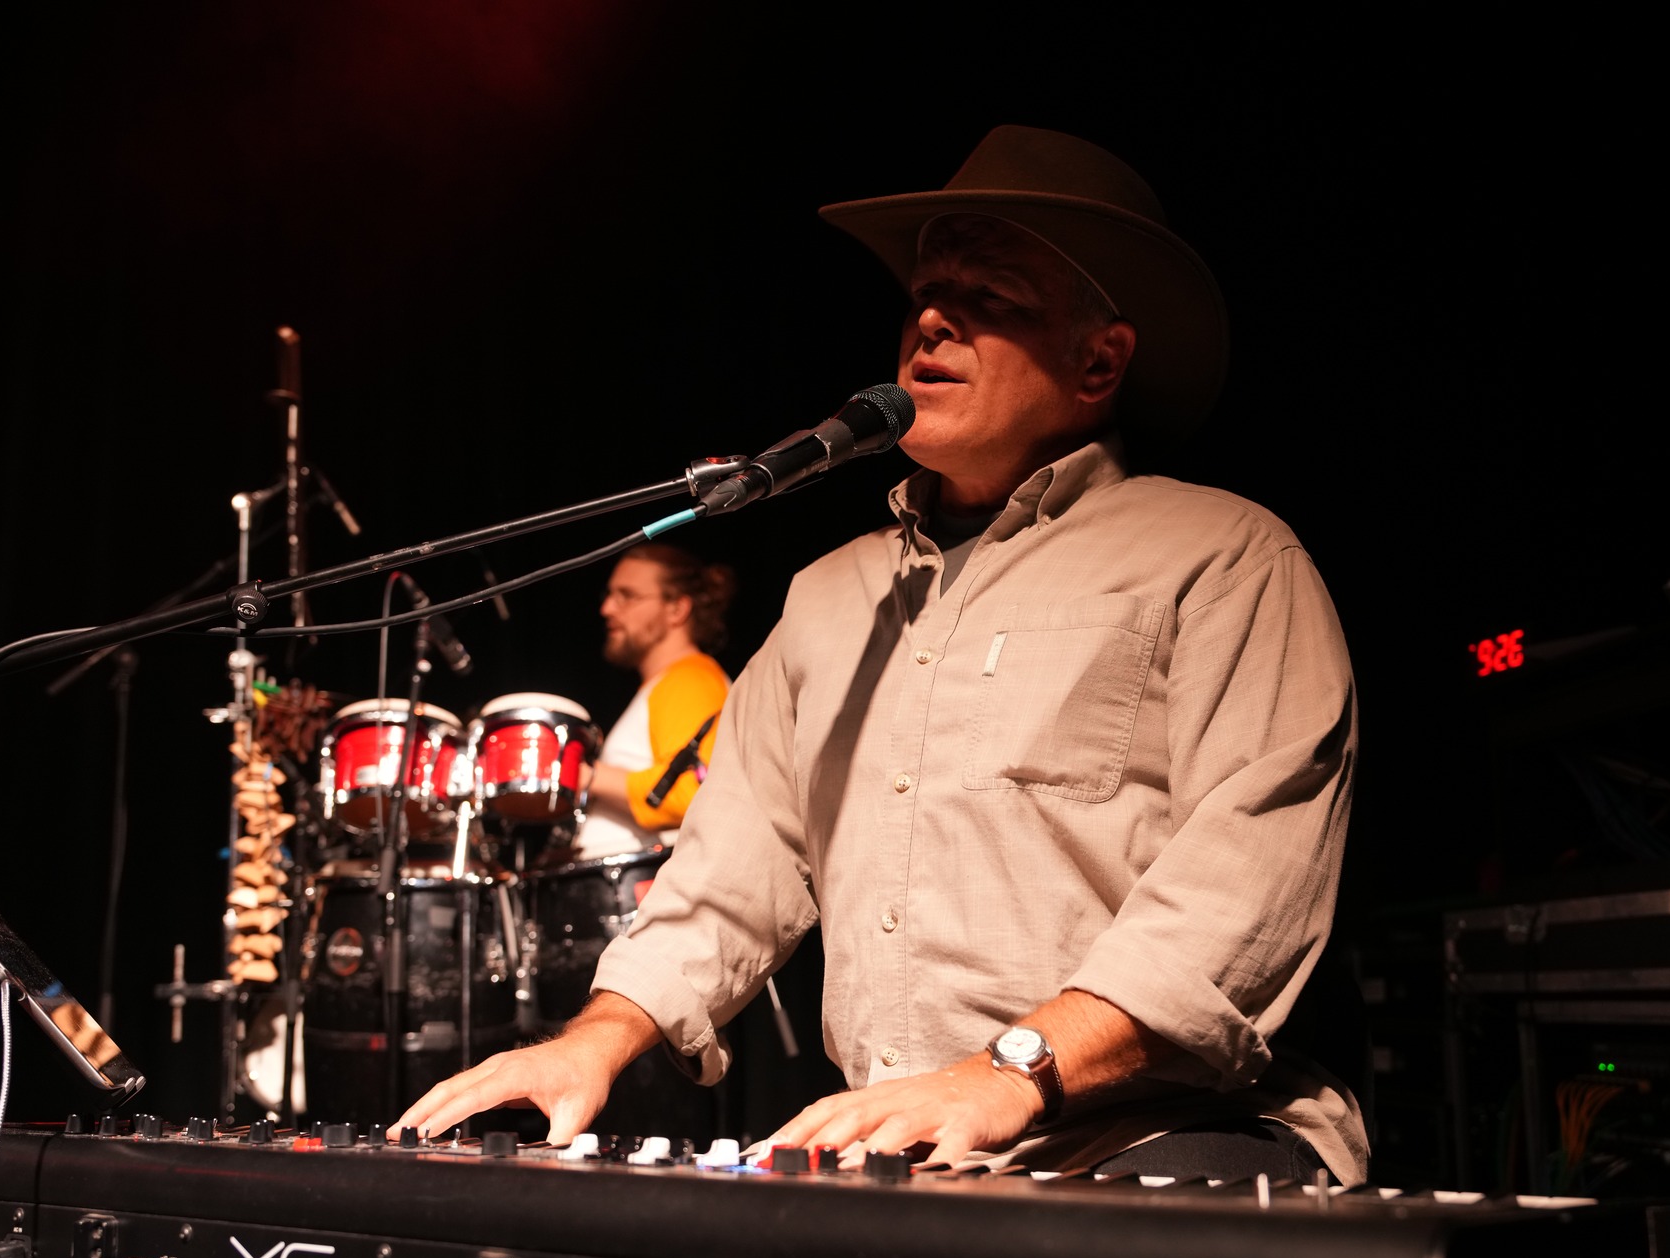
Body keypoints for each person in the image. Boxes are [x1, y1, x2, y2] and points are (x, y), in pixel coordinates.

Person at [398, 126, 1365, 1185]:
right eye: (926, 293)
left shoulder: (1223, 558)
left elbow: (1239, 891)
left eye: (989, 294)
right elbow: (729, 873)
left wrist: (1003, 1074)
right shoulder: (826, 598)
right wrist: (591, 1040)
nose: (933, 319)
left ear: (1099, 360)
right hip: (907, 1153)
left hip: (1156, 1137)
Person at [575, 545, 734, 862]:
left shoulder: (689, 679)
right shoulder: (666, 684)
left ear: (676, 609)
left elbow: (697, 791)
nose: (607, 608)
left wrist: (586, 775)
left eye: (627, 596)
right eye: (610, 594)